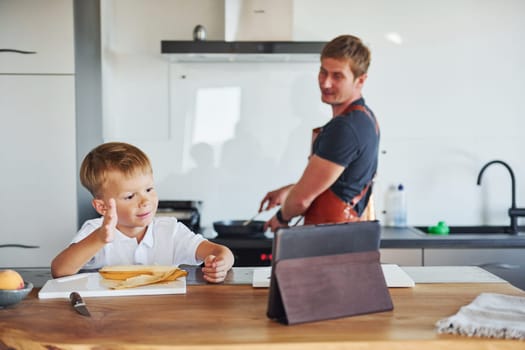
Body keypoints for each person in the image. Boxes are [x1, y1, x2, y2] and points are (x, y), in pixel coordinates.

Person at [51, 142, 234, 283]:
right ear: (102, 207)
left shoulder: (169, 230)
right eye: (130, 196)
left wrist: (221, 263)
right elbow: (60, 270)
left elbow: (220, 251)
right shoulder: (96, 230)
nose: (145, 201)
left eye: (149, 189)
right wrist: (99, 238)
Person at [259, 34, 380, 232]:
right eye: (323, 72)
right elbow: (337, 185)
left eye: (337, 76)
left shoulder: (345, 128)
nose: (325, 83)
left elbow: (301, 200)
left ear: (360, 80)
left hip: (331, 240)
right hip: (345, 236)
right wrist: (290, 190)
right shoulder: (365, 119)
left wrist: (281, 217)